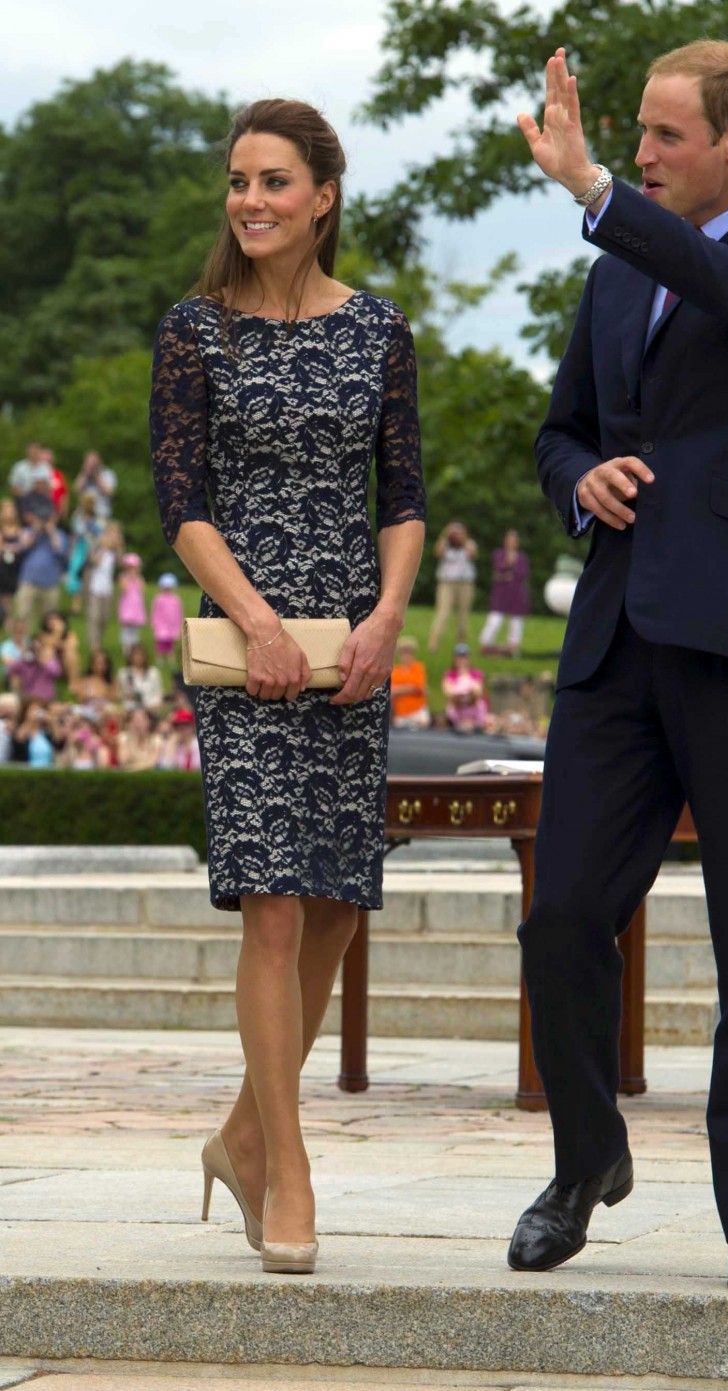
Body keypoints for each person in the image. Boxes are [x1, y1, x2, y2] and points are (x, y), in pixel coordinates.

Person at [508, 42, 728, 1293]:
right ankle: (582, 1159)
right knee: (558, 916)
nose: (644, 154)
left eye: (666, 136)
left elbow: (727, 287)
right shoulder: (615, 276)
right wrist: (578, 480)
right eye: (637, 137)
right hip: (613, 639)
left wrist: (598, 194)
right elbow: (558, 430)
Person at [149, 97, 425, 1274]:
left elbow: (402, 499)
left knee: (335, 904)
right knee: (269, 899)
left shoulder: (379, 330)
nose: (249, 200)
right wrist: (254, 619)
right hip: (249, 654)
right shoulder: (193, 331)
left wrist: (385, 620)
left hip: (354, 656)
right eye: (237, 182)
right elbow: (181, 504)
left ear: (322, 195)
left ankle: (238, 1136)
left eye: (272, 181)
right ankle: (288, 1166)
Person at [14, 495, 68, 628]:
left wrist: (51, 531)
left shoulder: (59, 534)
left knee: (49, 620)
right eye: (41, 517)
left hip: (50, 583)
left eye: (46, 517)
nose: (44, 520)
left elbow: (60, 550)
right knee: (23, 616)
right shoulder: (28, 532)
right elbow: (22, 547)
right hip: (29, 581)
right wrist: (35, 530)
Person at [427, 521, 477, 653]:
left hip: (465, 584)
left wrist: (464, 538)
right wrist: (445, 534)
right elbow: (438, 552)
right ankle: (433, 643)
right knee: (443, 612)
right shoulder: (445, 545)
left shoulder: (469, 544)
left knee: (463, 616)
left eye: (459, 533)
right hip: (447, 584)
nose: (457, 536)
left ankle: (461, 645)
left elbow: (472, 554)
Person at [480, 529, 531, 657]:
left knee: (516, 622)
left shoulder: (522, 557)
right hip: (501, 593)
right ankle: (486, 643)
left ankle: (513, 646)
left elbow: (523, 574)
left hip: (516, 593)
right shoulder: (498, 554)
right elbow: (498, 570)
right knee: (495, 620)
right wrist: (507, 567)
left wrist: (508, 573)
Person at [85, 522, 123, 652]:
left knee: (104, 618)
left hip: (107, 589)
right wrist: (104, 547)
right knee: (94, 616)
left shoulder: (115, 550)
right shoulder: (98, 545)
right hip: (94, 587)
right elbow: (93, 560)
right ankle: (93, 645)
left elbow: (120, 562)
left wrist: (117, 546)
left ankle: (99, 641)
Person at [442, 643, 490, 732]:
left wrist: (468, 696)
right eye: (459, 657)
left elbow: (478, 691)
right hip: (457, 706)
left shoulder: (476, 674)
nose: (461, 660)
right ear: (455, 659)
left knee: (480, 706)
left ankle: (475, 725)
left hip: (473, 705)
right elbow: (448, 691)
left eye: (464, 657)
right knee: (450, 709)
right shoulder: (450, 674)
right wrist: (459, 697)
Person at [390, 634, 431, 729]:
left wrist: (402, 689)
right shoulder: (395, 671)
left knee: (423, 723)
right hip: (401, 713)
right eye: (404, 653)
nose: (406, 656)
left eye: (409, 653)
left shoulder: (418, 668)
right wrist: (410, 688)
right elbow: (392, 691)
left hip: (417, 710)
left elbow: (420, 688)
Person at [150, 572, 185, 670]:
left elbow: (179, 613)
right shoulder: (158, 599)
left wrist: (180, 624)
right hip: (161, 624)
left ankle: (171, 659)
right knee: (160, 642)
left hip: (172, 625)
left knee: (171, 643)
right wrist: (154, 623)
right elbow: (155, 612)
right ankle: (160, 659)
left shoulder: (176, 599)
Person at [117, 642, 164, 711]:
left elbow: (159, 693)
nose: (138, 657)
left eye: (141, 655)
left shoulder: (153, 672)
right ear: (130, 657)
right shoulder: (124, 673)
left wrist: (151, 706)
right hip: (131, 709)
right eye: (136, 655)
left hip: (151, 708)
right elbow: (120, 693)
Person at [0, 499, 26, 624]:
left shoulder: (18, 529)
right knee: (5, 594)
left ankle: (16, 619)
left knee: (16, 593)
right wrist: (13, 547)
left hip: (16, 565)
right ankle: (7, 620)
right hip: (4, 566)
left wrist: (13, 547)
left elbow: (23, 544)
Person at [117, 553, 147, 657]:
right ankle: (126, 649)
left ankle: (134, 648)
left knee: (135, 631)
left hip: (136, 608)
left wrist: (136, 578)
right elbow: (123, 587)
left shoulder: (139, 578)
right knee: (126, 630)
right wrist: (130, 578)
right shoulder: (123, 577)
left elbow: (142, 588)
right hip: (127, 607)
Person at [74, 450, 117, 520]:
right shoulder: (83, 475)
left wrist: (96, 476)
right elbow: (76, 490)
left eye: (93, 463)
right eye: (88, 463)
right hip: (83, 514)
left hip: (101, 514)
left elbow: (109, 492)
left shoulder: (108, 474)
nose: (91, 466)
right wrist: (85, 474)